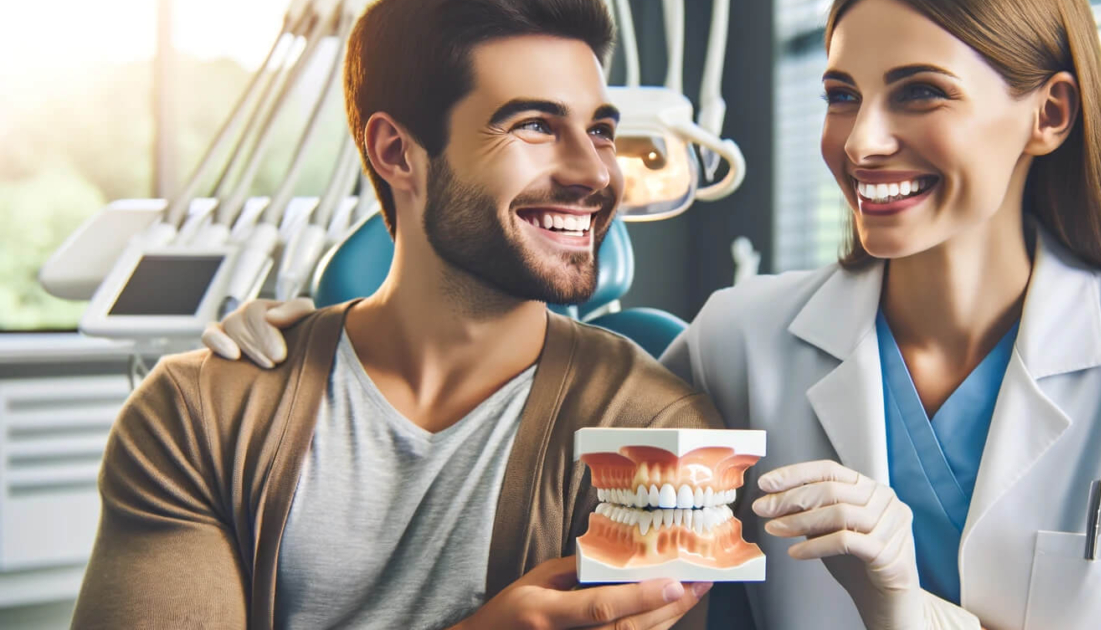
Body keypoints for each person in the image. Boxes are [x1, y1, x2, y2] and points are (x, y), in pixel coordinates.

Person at [213, 0, 1101, 628]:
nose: (865, 142)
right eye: (844, 94)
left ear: (1049, 115)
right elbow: (635, 602)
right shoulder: (738, 343)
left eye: (921, 92)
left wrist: (909, 610)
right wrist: (316, 344)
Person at [73, 1, 718, 628]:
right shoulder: (203, 411)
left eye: (600, 130)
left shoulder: (653, 435)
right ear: (396, 151)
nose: (595, 172)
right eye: (535, 126)